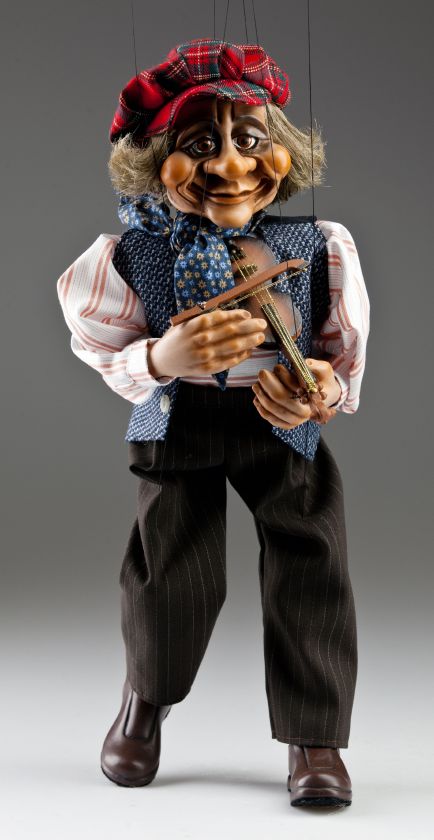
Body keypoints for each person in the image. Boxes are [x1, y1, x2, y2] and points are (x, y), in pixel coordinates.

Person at [57, 38, 370, 807]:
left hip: (280, 422)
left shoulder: (317, 247)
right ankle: (145, 699)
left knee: (311, 566)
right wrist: (161, 356)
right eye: (199, 146)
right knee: (170, 572)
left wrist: (322, 388)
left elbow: (340, 350)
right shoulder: (128, 254)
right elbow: (99, 345)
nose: (231, 166)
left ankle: (315, 734)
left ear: (283, 150)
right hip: (180, 421)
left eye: (251, 141)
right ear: (153, 160)